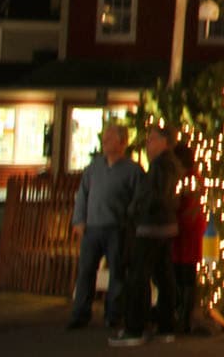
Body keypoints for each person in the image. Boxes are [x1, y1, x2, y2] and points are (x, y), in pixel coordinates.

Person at [111, 123, 184, 347]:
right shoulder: (170, 165)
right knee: (163, 275)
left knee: (138, 276)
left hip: (151, 227)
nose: (148, 144)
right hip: (165, 226)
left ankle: (135, 328)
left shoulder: (160, 167)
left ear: (164, 142)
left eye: (152, 139)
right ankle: (165, 325)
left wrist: (136, 211)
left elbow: (154, 196)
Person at [67, 122, 142, 330]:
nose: (105, 142)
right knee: (86, 271)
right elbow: (82, 194)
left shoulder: (132, 170)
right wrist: (79, 220)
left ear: (122, 142)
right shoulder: (94, 168)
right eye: (104, 138)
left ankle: (113, 314)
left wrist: (127, 220)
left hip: (116, 228)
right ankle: (80, 313)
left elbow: (138, 199)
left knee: (117, 273)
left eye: (110, 138)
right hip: (93, 227)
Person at [170, 143, 207, 335]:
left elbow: (181, 203)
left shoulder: (187, 179)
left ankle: (183, 317)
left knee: (184, 273)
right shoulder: (194, 179)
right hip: (189, 230)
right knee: (185, 273)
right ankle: (183, 315)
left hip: (185, 231)